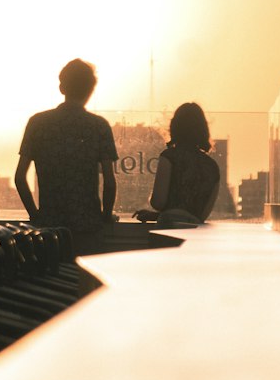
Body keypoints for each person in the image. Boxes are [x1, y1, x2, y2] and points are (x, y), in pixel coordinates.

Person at [14, 59, 118, 253]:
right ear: (90, 90)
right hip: (86, 226)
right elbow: (109, 182)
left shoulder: (37, 123)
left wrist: (36, 216)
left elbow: (20, 177)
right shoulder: (98, 126)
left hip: (49, 228)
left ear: (62, 87)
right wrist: (105, 215)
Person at [135, 102, 220, 225]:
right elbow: (200, 215)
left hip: (167, 229)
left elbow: (158, 202)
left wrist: (158, 214)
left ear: (174, 127)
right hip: (196, 237)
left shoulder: (169, 157)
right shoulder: (212, 166)